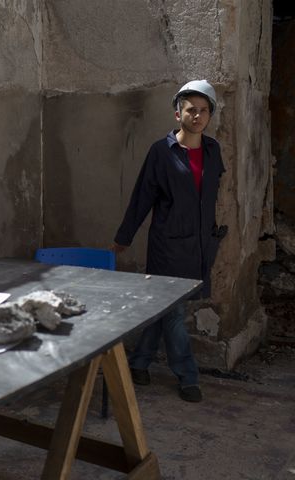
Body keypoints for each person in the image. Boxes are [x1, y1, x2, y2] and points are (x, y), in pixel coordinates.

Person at [111, 80, 225, 403]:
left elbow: (210, 195)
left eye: (204, 111)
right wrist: (124, 236)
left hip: (199, 246)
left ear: (209, 115)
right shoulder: (162, 153)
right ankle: (187, 375)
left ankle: (139, 362)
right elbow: (142, 198)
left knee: (166, 309)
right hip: (167, 247)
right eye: (191, 109)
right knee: (174, 312)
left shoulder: (213, 151)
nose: (197, 116)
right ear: (178, 113)